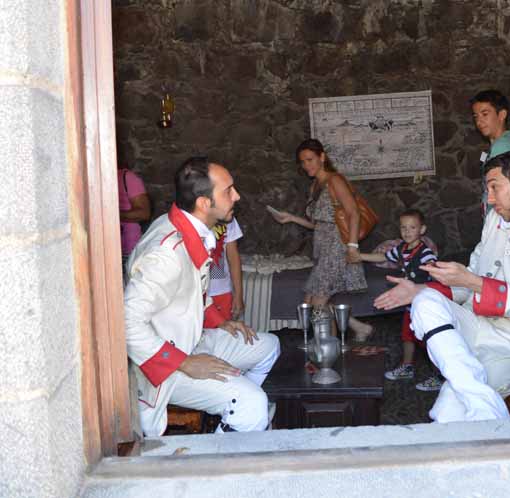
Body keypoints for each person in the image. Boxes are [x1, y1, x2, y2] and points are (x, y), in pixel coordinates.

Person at [375, 152, 510, 423]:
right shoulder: (495, 219)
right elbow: (472, 280)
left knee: (446, 414)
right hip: (478, 325)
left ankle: (478, 401)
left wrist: (471, 281)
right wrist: (418, 291)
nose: (489, 198)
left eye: (494, 187)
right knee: (425, 301)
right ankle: (483, 402)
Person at [123, 156, 280, 436]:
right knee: (253, 403)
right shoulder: (165, 255)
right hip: (164, 365)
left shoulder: (187, 227)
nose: (237, 196)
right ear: (204, 204)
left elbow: (189, 290)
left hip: (192, 341)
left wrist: (220, 320)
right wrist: (185, 363)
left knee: (269, 345)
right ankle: (238, 419)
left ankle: (231, 411)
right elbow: (126, 322)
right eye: (228, 191)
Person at [271, 139, 373, 341]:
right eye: (303, 161)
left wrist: (352, 246)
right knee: (312, 300)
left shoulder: (335, 180)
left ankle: (328, 347)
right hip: (322, 249)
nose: (306, 165)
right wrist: (291, 218)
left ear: (322, 157)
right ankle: (357, 328)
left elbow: (353, 213)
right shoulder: (315, 186)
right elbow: (318, 224)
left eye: (310, 159)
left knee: (317, 301)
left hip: (337, 248)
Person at [358, 209, 442, 391]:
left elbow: (433, 268)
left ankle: (440, 375)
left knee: (429, 339)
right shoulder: (401, 249)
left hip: (424, 302)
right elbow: (383, 256)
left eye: (412, 227)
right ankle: (407, 366)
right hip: (408, 302)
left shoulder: (425, 253)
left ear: (422, 229)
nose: (407, 231)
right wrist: (360, 256)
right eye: (403, 227)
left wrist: (431, 269)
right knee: (407, 335)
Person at [470, 90, 510, 217]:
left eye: (485, 114)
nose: (479, 122)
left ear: (502, 115)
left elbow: (504, 193)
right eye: (476, 116)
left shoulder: (503, 146)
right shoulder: (504, 141)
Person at [209, 217, 245, 321]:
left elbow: (233, 257)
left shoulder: (227, 217)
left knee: (223, 334)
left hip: (221, 291)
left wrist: (238, 294)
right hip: (194, 292)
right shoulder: (188, 215)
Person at [118, 165, 151, 271]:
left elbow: (144, 213)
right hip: (105, 250)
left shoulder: (128, 177)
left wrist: (113, 216)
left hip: (128, 251)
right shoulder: (95, 176)